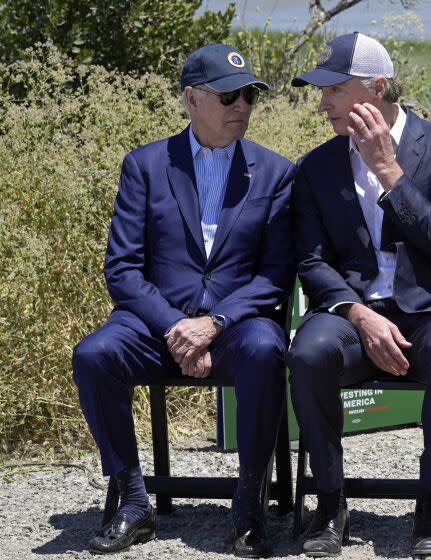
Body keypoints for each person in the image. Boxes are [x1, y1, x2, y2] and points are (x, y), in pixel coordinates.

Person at [72, 44, 295, 558]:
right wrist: (179, 327)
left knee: (266, 351)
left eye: (250, 95)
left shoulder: (275, 172)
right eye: (229, 95)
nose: (242, 105)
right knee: (93, 355)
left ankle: (248, 506)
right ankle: (133, 500)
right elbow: (122, 270)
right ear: (192, 98)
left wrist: (213, 323)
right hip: (156, 323)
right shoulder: (146, 165)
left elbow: (276, 275)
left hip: (237, 324)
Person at [288, 32, 431, 557]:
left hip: (429, 310)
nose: (322, 102)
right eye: (320, 90)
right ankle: (329, 503)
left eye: (333, 88)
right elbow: (311, 261)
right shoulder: (316, 166)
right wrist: (358, 315)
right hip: (353, 311)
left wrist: (390, 173)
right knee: (308, 352)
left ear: (376, 88)